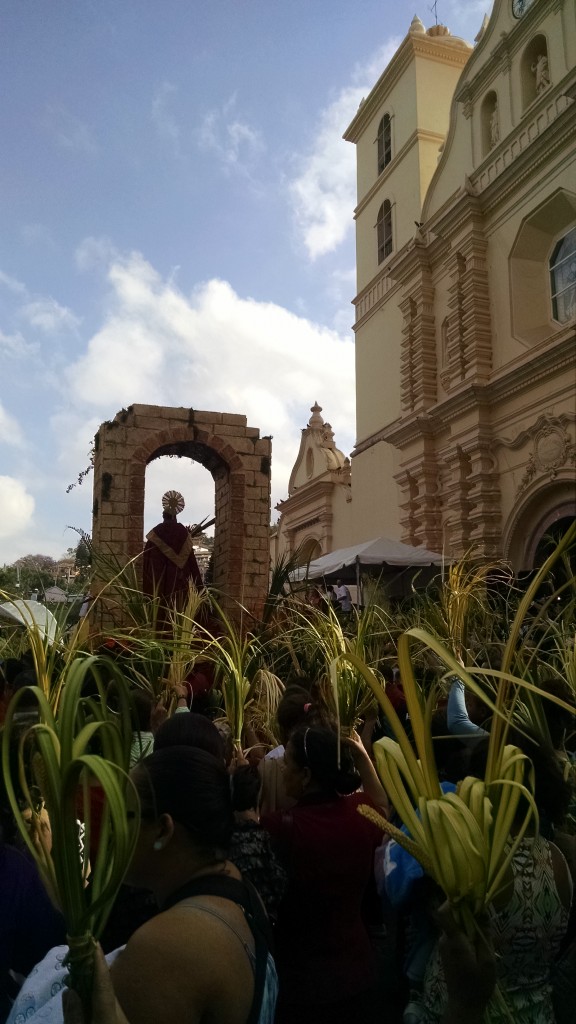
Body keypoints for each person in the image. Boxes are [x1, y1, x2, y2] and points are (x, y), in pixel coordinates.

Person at [8, 746, 277, 1024]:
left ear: (163, 829)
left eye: (124, 815)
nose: (112, 831)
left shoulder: (163, 950)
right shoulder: (242, 890)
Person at [261, 726, 389, 1024]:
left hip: (301, 980)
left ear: (306, 775)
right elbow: (383, 806)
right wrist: (361, 756)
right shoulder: (360, 813)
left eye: (287, 763)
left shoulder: (279, 829)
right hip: (358, 970)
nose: (280, 766)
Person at [142, 490, 203, 609]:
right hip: (180, 583)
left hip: (159, 585)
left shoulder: (156, 534)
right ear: (175, 516)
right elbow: (192, 564)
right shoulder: (183, 534)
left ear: (163, 516)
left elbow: (147, 562)